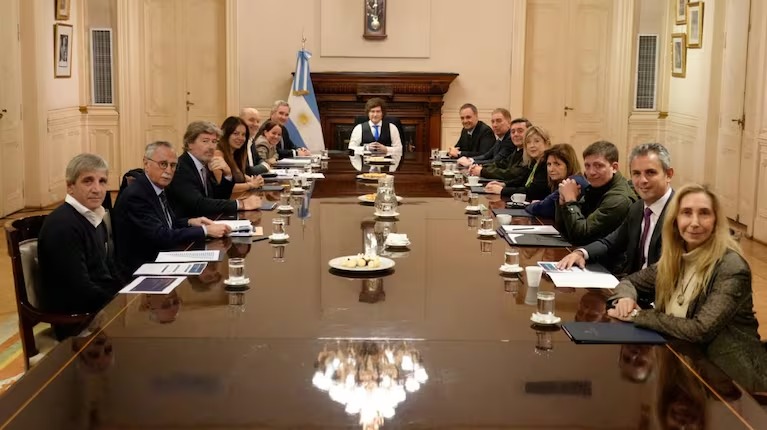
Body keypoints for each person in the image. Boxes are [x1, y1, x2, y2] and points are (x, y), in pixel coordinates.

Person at [608, 184, 767, 392]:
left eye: (704, 213)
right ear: (675, 221)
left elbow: (700, 329)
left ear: (716, 221)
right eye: (686, 213)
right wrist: (625, 298)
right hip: (683, 367)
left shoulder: (731, 267)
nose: (694, 222)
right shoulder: (676, 259)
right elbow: (629, 282)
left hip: (729, 382)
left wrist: (639, 316)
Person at [113, 141, 231, 277]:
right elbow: (161, 235)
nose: (169, 171)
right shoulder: (137, 195)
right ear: (146, 163)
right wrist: (205, 231)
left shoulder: (157, 187)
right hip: (142, 269)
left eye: (173, 165)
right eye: (163, 164)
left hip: (161, 258)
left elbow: (167, 224)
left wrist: (190, 222)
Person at [558, 143, 675, 279]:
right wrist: (580, 253)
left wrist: (627, 285)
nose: (642, 180)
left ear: (668, 175)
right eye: (636, 173)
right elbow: (611, 242)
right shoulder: (638, 208)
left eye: (650, 173)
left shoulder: (680, 213)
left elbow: (663, 270)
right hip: (631, 283)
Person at [37, 154, 122, 339]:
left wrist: (129, 293)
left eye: (102, 181)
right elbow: (78, 289)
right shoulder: (63, 226)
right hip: (77, 323)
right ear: (70, 186)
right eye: (88, 181)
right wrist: (121, 302)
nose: (97, 189)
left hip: (99, 309)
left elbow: (108, 269)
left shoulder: (94, 216)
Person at [165, 121, 262, 218]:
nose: (211, 147)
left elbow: (218, 197)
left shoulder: (204, 164)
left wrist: (228, 174)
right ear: (190, 143)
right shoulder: (181, 168)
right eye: (205, 141)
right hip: (187, 224)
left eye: (214, 141)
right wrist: (240, 204)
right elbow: (199, 204)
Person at [555, 140, 637, 245]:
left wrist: (570, 201)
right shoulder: (596, 188)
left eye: (598, 166)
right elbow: (565, 231)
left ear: (614, 168)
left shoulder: (619, 199)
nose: (591, 172)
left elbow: (581, 236)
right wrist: (563, 203)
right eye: (587, 166)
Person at [484, 125, 552, 201]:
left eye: (536, 141)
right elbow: (521, 180)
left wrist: (502, 190)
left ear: (547, 143)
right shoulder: (534, 162)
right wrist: (504, 184)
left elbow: (532, 192)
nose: (532, 146)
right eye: (528, 142)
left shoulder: (548, 164)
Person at [522, 143, 588, 219]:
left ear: (569, 165)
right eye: (549, 164)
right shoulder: (565, 181)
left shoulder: (572, 182)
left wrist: (532, 205)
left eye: (557, 164)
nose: (551, 169)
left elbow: (543, 208)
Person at [467, 117, 531, 181]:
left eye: (520, 131)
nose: (515, 134)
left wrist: (482, 171)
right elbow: (501, 164)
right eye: (513, 132)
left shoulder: (530, 153)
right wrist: (481, 167)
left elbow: (511, 174)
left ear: (530, 133)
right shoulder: (517, 150)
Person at [213, 116, 264, 194]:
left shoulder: (235, 154)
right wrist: (251, 185)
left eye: (243, 135)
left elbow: (237, 176)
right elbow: (223, 187)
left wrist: (252, 180)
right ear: (226, 134)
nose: (240, 138)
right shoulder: (218, 155)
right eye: (236, 134)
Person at [239, 107, 270, 176]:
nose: (255, 124)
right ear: (240, 121)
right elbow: (247, 171)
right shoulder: (238, 143)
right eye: (251, 120)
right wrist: (265, 166)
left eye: (258, 121)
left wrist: (264, 165)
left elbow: (259, 159)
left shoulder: (251, 140)